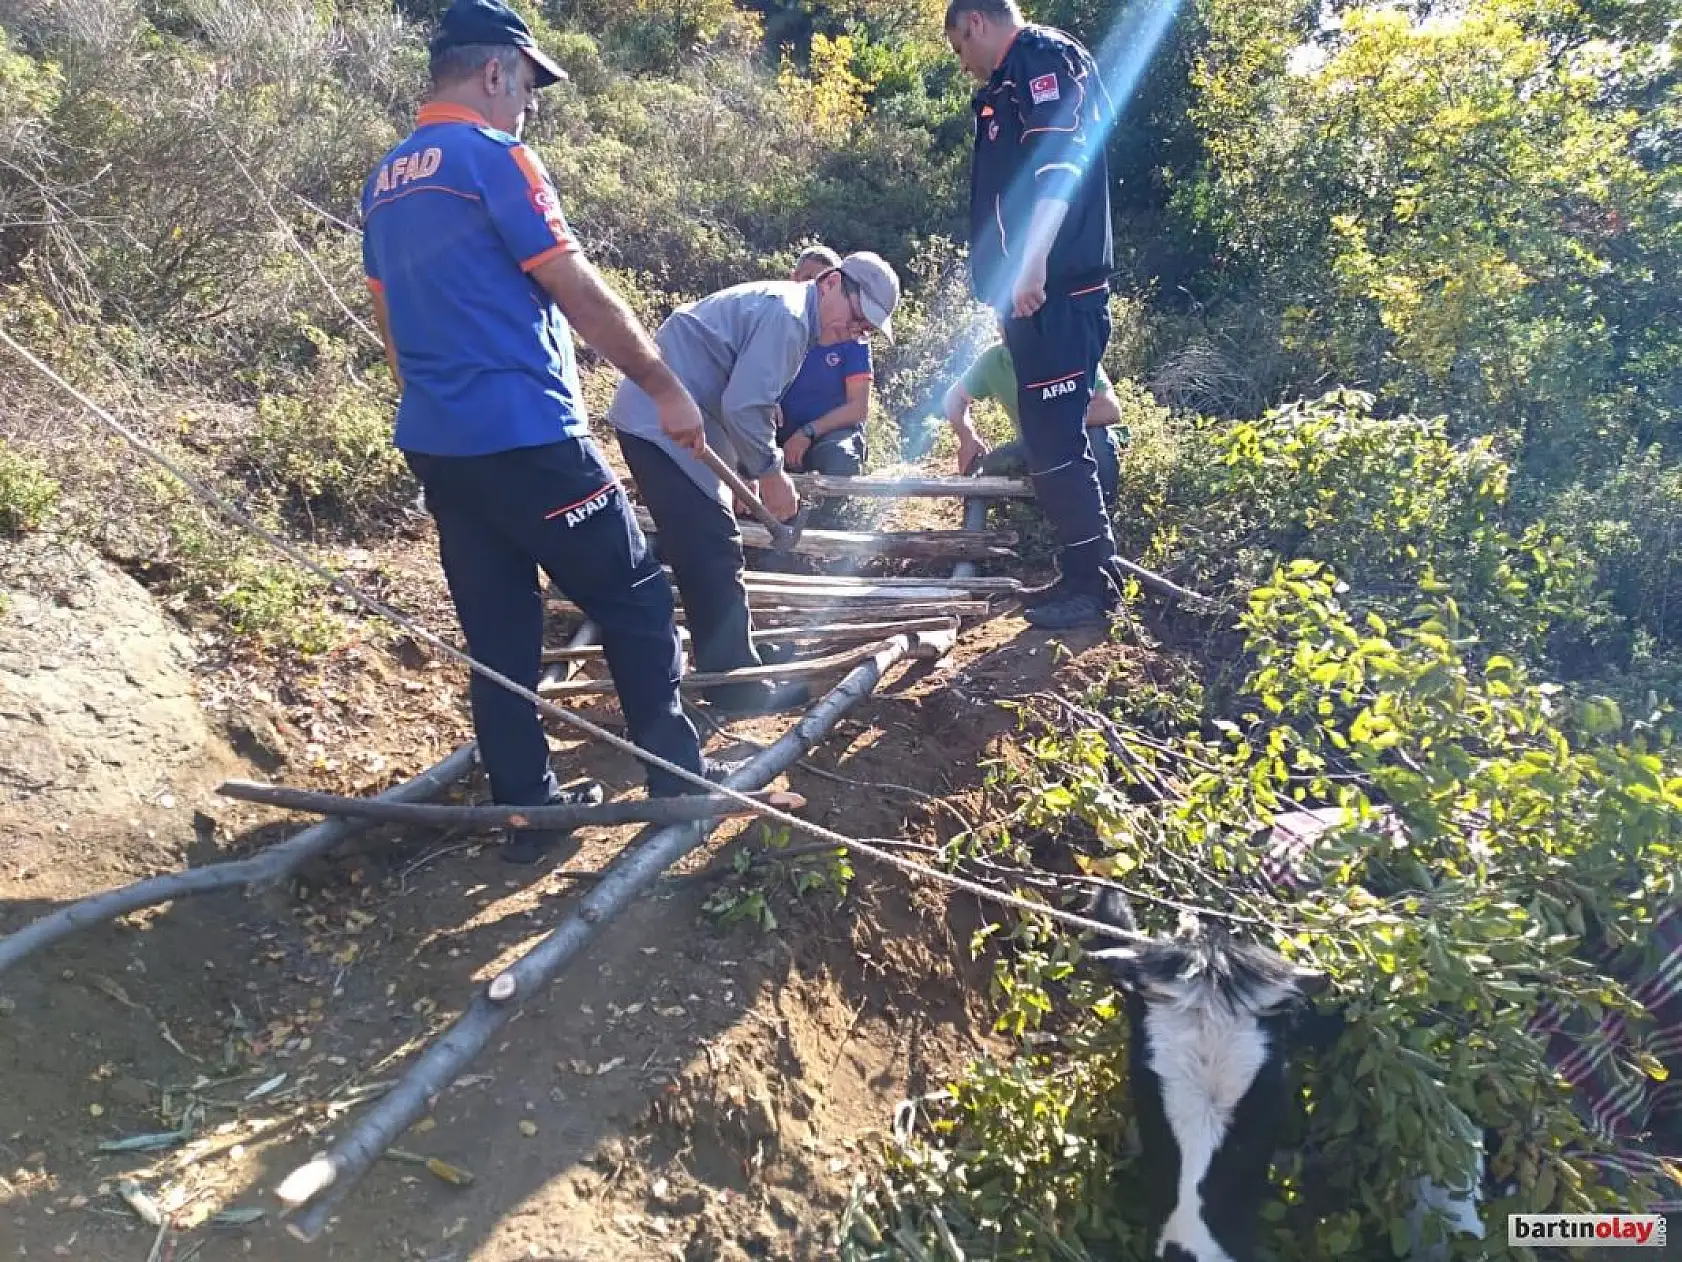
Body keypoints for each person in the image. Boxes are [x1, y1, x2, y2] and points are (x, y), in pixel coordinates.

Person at [360, 0, 713, 865]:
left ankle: (527, 812)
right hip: (526, 436)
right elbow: (575, 286)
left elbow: (390, 326)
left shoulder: (386, 179)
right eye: (527, 85)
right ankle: (678, 784)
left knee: (500, 632)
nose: (531, 103)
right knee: (632, 595)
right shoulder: (496, 156)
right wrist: (665, 386)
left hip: (442, 444)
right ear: (494, 72)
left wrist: (442, 408)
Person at [609, 253, 901, 715]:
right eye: (857, 317)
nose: (855, 331)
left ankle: (729, 671)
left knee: (708, 550)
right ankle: (735, 690)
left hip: (681, 428)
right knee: (713, 552)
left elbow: (745, 399)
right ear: (830, 283)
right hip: (659, 426)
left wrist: (746, 470)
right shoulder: (787, 317)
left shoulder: (793, 317)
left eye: (866, 329)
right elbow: (744, 406)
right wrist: (771, 475)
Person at [946, 0, 1124, 630]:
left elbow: (1059, 165)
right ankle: (1081, 571)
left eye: (958, 50)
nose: (963, 66)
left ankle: (1095, 585)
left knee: (1056, 440)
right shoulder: (1004, 87)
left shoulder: (1046, 58)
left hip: (1057, 291)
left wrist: (1032, 264)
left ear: (974, 22)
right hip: (1030, 300)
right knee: (1050, 439)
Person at [944, 335, 1125, 503]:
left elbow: (1110, 409)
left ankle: (1103, 510)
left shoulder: (1074, 349)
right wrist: (967, 437)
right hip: (1032, 449)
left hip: (1079, 442)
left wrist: (1051, 424)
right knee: (979, 472)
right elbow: (954, 398)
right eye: (1002, 318)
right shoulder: (995, 360)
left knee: (1097, 438)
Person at [777, 246, 873, 479]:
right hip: (776, 431)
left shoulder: (853, 339)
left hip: (826, 434)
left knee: (840, 456)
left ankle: (831, 515)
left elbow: (858, 408)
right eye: (809, 279)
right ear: (794, 278)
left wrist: (808, 432)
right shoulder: (778, 319)